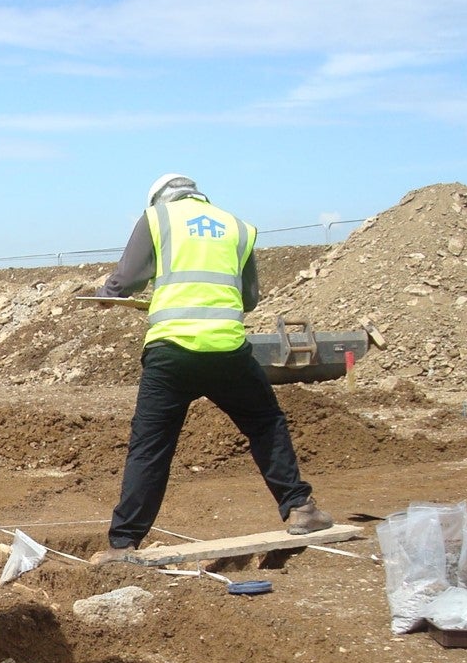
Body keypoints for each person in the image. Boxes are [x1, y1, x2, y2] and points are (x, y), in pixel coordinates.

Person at [88, 174, 333, 566]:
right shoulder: (239, 228)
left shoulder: (157, 219)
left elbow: (128, 278)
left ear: (159, 200)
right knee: (265, 422)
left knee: (150, 447)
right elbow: (249, 299)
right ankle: (300, 507)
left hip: (171, 353)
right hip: (227, 350)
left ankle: (123, 544)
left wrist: (108, 293)